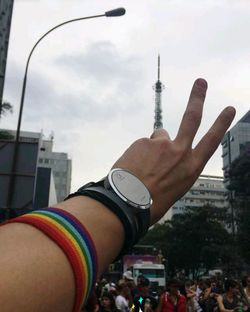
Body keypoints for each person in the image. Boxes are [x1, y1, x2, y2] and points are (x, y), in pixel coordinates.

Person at [0, 78, 236, 312]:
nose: (144, 287)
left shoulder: (155, 300)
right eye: (142, 285)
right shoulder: (130, 300)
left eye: (143, 285)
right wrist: (117, 202)